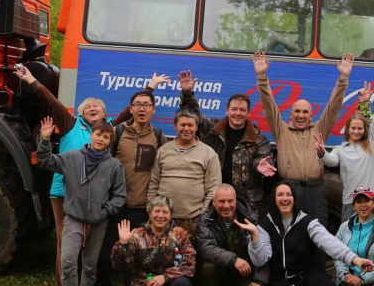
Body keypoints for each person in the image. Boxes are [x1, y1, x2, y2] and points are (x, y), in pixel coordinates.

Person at [16, 65, 168, 286]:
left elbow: (133, 111)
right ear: (81, 113)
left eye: (97, 105)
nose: (92, 107)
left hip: (96, 196)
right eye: (88, 106)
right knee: (66, 244)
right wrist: (30, 79)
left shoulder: (108, 131)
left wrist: (151, 87)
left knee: (91, 246)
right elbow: (51, 102)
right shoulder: (70, 124)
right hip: (65, 193)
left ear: (105, 117)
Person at [237, 182, 374, 286]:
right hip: (280, 281)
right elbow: (260, 259)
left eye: (289, 194)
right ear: (274, 199)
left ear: (294, 198)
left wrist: (355, 259)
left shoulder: (307, 222)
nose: (285, 198)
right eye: (280, 195)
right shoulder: (264, 225)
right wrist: (255, 237)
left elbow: (329, 242)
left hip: (308, 277)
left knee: (322, 283)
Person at [35, 116, 126, 286]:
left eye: (106, 136)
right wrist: (45, 140)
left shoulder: (114, 166)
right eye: (98, 134)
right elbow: (46, 161)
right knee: (67, 260)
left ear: (110, 141)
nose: (101, 139)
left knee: (90, 263)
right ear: (91, 135)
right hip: (74, 217)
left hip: (98, 221)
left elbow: (120, 196)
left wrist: (104, 211)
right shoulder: (72, 157)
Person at [252, 51, 354, 228]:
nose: (301, 115)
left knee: (319, 235)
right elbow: (269, 105)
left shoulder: (319, 128)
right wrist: (261, 77)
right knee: (291, 233)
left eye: (305, 112)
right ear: (290, 114)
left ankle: (320, 257)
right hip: (290, 190)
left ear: (311, 114)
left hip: (317, 191)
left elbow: (334, 107)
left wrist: (343, 78)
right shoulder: (281, 130)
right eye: (297, 111)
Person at [100, 89, 170, 286]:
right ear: (130, 109)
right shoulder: (118, 132)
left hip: (141, 207)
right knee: (107, 250)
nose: (142, 109)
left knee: (139, 254)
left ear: (153, 110)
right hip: (116, 205)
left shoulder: (158, 136)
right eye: (137, 104)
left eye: (146, 105)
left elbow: (167, 166)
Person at [177, 70, 276, 214]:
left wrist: (258, 165)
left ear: (248, 114)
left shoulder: (259, 139)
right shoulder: (212, 130)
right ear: (227, 111)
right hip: (214, 198)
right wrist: (187, 94)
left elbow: (264, 160)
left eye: (242, 110)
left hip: (246, 203)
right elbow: (192, 115)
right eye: (234, 109)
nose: (238, 113)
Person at [316, 69, 374, 224]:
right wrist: (322, 152)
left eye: (360, 128)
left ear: (365, 130)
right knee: (349, 236)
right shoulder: (340, 149)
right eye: (353, 128)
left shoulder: (371, 141)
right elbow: (331, 161)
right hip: (351, 199)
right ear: (347, 130)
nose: (357, 131)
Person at [111, 195, 196, 286]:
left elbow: (189, 264)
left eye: (165, 212)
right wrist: (123, 244)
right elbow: (120, 267)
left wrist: (165, 277)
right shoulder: (137, 235)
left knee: (183, 285)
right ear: (149, 213)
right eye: (156, 211)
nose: (160, 216)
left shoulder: (180, 234)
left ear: (171, 215)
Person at [195, 185, 269, 286]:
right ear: (213, 202)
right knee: (207, 267)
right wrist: (234, 260)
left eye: (230, 201)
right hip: (219, 271)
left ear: (236, 200)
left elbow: (264, 252)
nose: (226, 206)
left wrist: (259, 280)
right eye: (221, 201)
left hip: (244, 274)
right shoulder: (205, 221)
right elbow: (206, 248)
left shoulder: (251, 218)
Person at [148, 109, 221, 236]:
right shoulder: (163, 151)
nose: (186, 129)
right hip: (162, 219)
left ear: (196, 127)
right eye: (182, 125)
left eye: (190, 125)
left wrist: (203, 216)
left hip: (193, 220)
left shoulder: (208, 153)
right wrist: (151, 209)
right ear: (175, 126)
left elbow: (213, 189)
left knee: (189, 255)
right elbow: (154, 183)